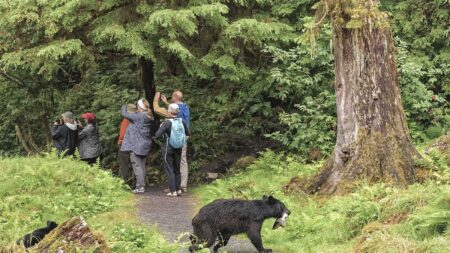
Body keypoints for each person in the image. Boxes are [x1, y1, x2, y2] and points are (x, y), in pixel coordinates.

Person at [154, 90, 190, 192]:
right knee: (182, 161)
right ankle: (182, 186)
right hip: (182, 137)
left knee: (172, 164)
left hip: (171, 140)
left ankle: (174, 187)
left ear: (175, 97)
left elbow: (158, 109)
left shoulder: (171, 115)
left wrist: (157, 98)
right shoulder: (185, 107)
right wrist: (166, 103)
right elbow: (176, 110)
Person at [120, 99, 153, 193]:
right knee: (141, 166)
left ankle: (140, 187)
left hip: (137, 145)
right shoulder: (148, 115)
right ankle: (142, 185)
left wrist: (123, 106)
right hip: (144, 144)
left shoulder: (139, 116)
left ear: (139, 107)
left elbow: (124, 114)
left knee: (137, 166)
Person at [117, 104, 138, 186]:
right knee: (134, 164)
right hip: (135, 144)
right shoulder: (138, 118)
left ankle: (125, 183)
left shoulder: (126, 120)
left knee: (124, 164)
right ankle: (135, 182)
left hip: (124, 144)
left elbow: (122, 135)